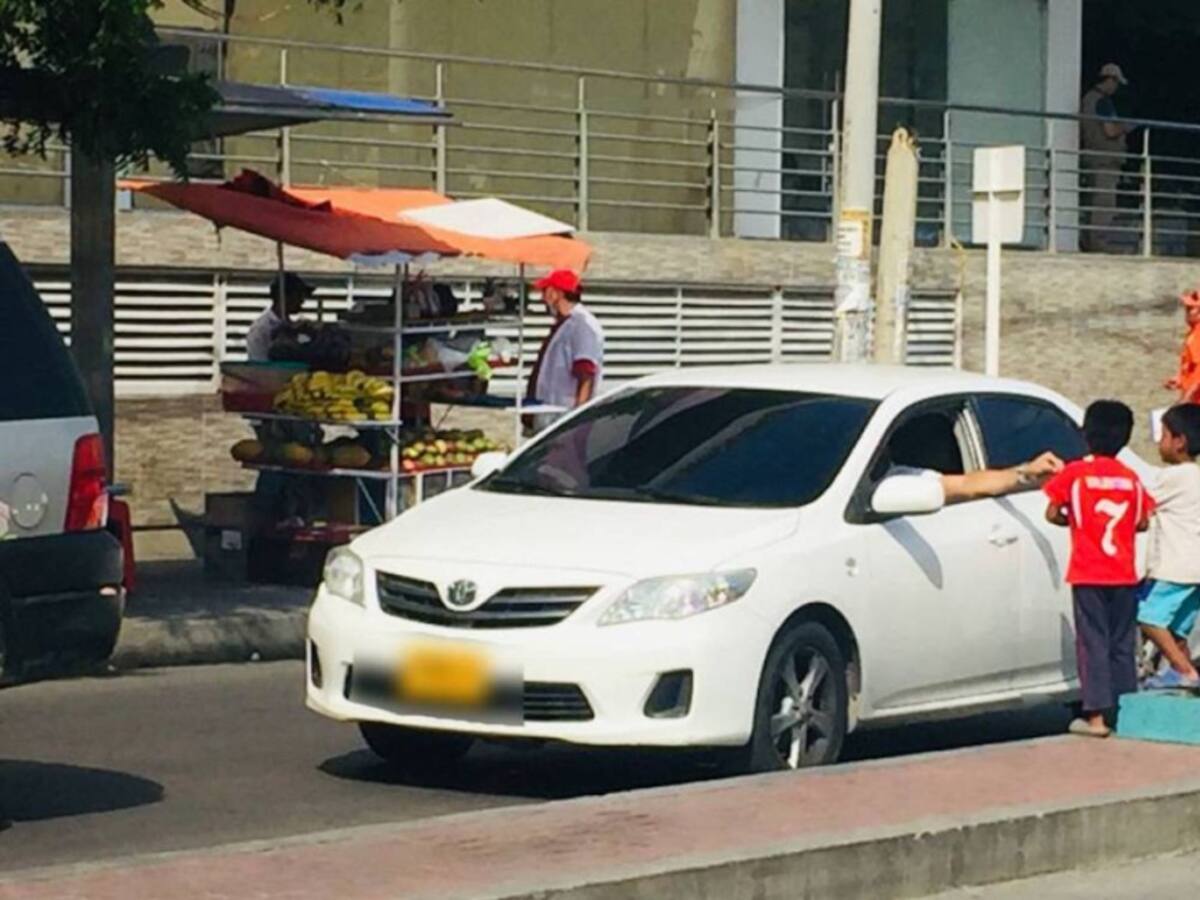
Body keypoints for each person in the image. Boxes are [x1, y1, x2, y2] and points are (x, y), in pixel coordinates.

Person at [1044, 400, 1155, 738]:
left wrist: (1072, 520)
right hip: (1123, 573)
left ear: (1085, 434)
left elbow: (1052, 512)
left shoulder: (1075, 473)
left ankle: (1095, 717)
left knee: (1092, 643)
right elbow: (1142, 522)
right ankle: (1125, 711)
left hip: (1089, 572)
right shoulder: (1131, 478)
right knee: (1122, 645)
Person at [1139, 404, 1200, 689]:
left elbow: (1142, 501)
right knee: (1177, 631)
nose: (1159, 443)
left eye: (1163, 435)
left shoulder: (1174, 477)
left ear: (1179, 441)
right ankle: (1179, 681)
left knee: (1147, 617)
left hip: (1176, 567)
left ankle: (1184, 670)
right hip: (1195, 569)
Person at [525, 269, 604, 434]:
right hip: (548, 413)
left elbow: (586, 374)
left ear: (556, 294)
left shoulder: (582, 325)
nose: (542, 298)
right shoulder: (565, 323)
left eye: (545, 292)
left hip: (563, 416)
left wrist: (576, 420)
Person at [1080, 63, 1133, 252]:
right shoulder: (1102, 102)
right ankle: (1098, 244)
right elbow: (1110, 130)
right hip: (1104, 160)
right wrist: (1126, 126)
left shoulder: (1088, 99)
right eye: (1116, 83)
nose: (1116, 88)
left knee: (1092, 202)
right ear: (1110, 80)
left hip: (1092, 157)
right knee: (1104, 204)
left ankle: (1088, 241)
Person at [246, 272, 315, 362]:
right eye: (299, 296)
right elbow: (259, 363)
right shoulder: (262, 328)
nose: (302, 301)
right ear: (284, 296)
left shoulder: (295, 327)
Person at [1165, 290, 1200, 404]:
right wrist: (1180, 379)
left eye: (1190, 309)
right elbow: (1192, 367)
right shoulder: (1194, 332)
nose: (1186, 313)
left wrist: (1186, 399)